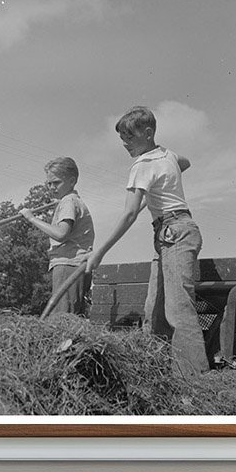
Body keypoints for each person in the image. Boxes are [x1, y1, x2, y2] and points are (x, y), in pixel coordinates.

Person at [86, 106, 210, 376]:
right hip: (172, 231)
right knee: (154, 309)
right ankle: (157, 371)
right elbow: (185, 163)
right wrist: (160, 190)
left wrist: (99, 253)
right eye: (122, 139)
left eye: (130, 138)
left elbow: (129, 213)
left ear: (148, 132)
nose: (125, 144)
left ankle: (195, 381)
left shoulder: (142, 165)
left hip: (174, 233)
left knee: (178, 310)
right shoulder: (167, 154)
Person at [20, 157, 94, 315]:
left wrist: (31, 218)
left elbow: (61, 234)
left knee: (61, 317)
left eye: (56, 183)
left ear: (72, 181)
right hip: (77, 265)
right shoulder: (72, 201)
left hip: (68, 264)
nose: (52, 188)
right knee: (71, 317)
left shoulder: (68, 202)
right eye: (49, 184)